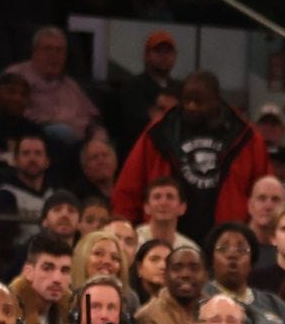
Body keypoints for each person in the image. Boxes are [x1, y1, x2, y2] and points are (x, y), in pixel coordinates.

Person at [113, 72, 272, 243]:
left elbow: (267, 193)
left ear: (216, 100)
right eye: (187, 100)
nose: (191, 106)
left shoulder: (245, 137)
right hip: (165, 241)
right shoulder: (159, 132)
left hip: (228, 241)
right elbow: (129, 189)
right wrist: (122, 235)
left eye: (199, 102)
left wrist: (260, 237)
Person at [203, 221, 285, 324]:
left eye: (241, 249)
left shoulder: (272, 302)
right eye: (223, 248)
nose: (232, 255)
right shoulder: (202, 299)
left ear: (252, 260)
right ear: (211, 259)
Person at [4, 28, 100, 147]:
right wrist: (52, 121)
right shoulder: (17, 75)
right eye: (47, 49)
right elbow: (11, 113)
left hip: (79, 144)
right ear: (35, 52)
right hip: (36, 138)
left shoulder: (70, 84)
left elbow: (92, 119)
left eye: (59, 51)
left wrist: (99, 136)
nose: (54, 55)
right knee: (62, 131)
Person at [8, 232, 73, 324]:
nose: (57, 279)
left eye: (64, 270)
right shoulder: (7, 314)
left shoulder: (70, 316)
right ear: (28, 272)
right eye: (48, 268)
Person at [135, 243, 205, 324]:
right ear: (166, 275)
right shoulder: (148, 317)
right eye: (177, 268)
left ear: (205, 275)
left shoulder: (217, 313)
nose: (185, 274)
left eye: (194, 268)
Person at [131, 177, 200, 251]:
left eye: (170, 197)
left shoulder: (189, 250)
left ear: (182, 208)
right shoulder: (132, 241)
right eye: (157, 197)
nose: (163, 203)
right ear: (146, 207)